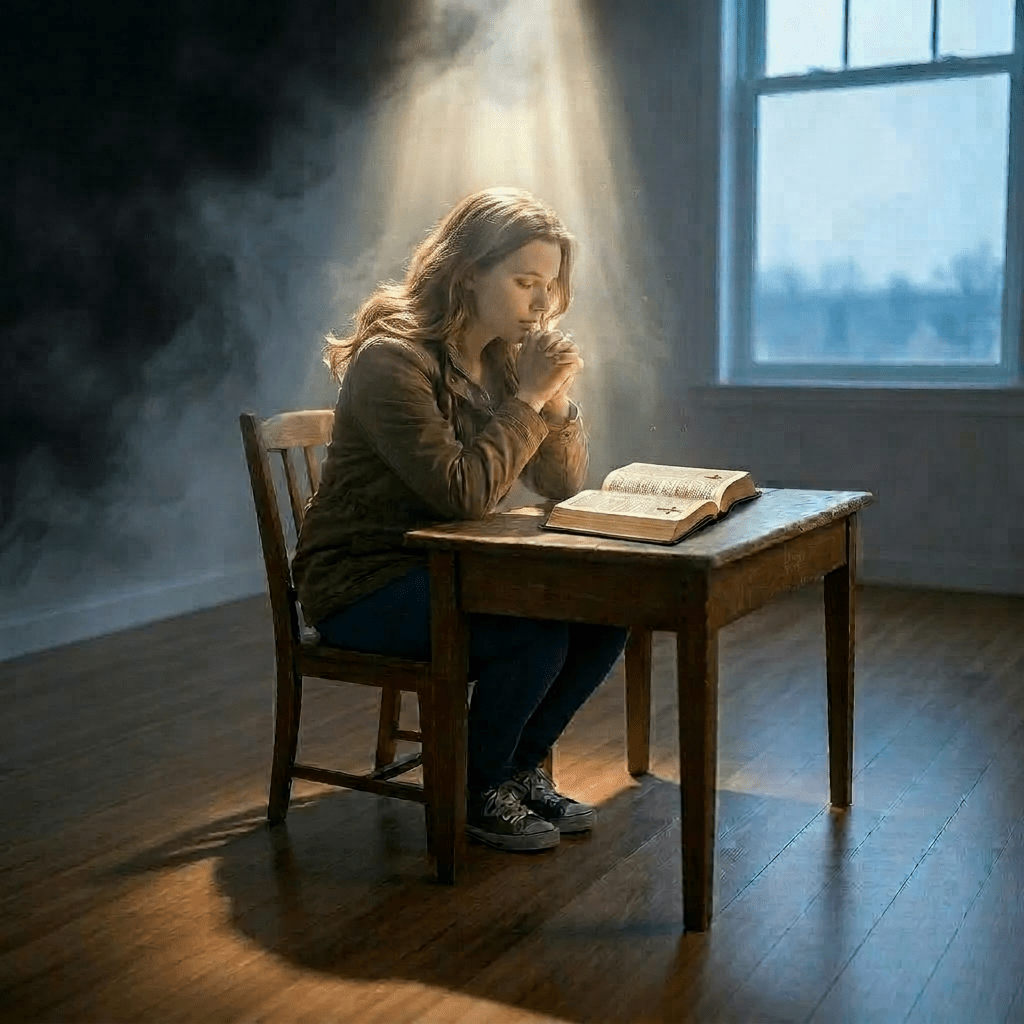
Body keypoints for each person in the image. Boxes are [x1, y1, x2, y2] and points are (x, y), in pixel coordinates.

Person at [291, 187, 628, 852]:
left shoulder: (503, 358)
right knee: (535, 633)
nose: (542, 303)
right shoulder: (390, 360)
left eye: (550, 286)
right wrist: (529, 397)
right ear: (468, 273)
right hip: (363, 582)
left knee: (606, 611)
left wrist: (555, 403)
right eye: (525, 281)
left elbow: (560, 483)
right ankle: (475, 790)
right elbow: (464, 495)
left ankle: (515, 768)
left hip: (442, 569)